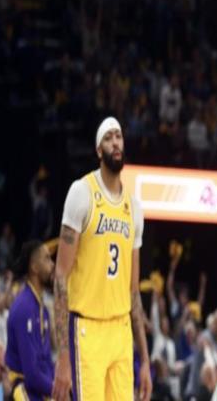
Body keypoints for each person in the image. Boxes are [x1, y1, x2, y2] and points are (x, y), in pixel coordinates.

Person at [52, 117, 152, 401]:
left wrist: (145, 360)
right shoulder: (82, 192)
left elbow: (134, 292)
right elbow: (60, 277)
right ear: (99, 150)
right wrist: (63, 356)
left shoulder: (134, 208)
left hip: (121, 331)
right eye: (108, 138)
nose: (115, 142)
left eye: (118, 136)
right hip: (87, 329)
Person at [5, 240, 55, 400]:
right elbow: (31, 373)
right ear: (34, 267)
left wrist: (63, 387)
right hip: (22, 387)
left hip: (39, 387)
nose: (52, 264)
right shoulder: (23, 308)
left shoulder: (43, 310)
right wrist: (57, 391)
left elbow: (46, 361)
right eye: (47, 258)